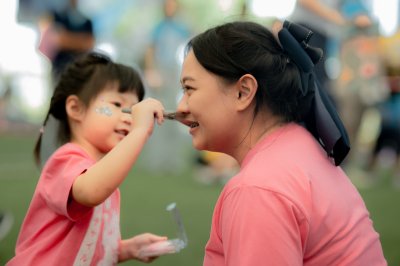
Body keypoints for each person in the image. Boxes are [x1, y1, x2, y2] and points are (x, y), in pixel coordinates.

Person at [176, 20, 386, 265]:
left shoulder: (259, 189)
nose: (181, 108)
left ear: (243, 92)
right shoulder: (301, 143)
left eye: (189, 89)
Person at [7, 52, 168, 265]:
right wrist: (140, 132)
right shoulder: (65, 161)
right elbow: (90, 192)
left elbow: (87, 247)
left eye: (133, 110)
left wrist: (126, 249)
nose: (129, 118)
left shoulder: (102, 178)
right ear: (76, 108)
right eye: (118, 105)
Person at [142, 0, 192, 174]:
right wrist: (151, 71)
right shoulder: (158, 28)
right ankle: (157, 158)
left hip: (176, 73)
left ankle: (173, 159)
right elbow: (150, 51)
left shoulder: (182, 27)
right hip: (161, 72)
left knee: (176, 115)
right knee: (158, 115)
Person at [39, 0, 95, 84]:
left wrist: (66, 38)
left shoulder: (87, 21)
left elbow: (89, 44)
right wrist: (81, 41)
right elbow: (58, 41)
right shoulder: (55, 17)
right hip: (60, 71)